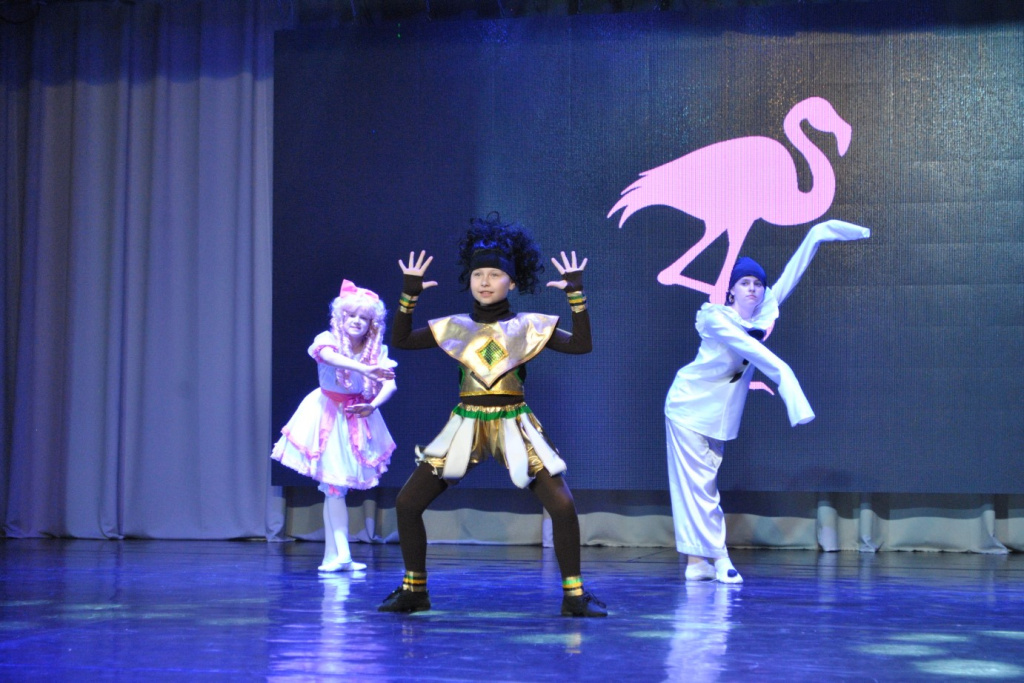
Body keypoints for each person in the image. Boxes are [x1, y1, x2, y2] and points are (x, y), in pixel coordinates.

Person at [378, 214, 606, 617]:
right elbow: (401, 340)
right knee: (408, 503)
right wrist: (408, 297)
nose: (485, 282)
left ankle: (574, 597)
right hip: (465, 424)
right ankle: (415, 591)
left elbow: (582, 345)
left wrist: (576, 297)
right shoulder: (454, 327)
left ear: (512, 283)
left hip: (514, 423)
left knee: (562, 506)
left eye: (495, 275)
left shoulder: (528, 327)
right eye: (478, 274)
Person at [665, 219, 870, 584]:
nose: (753, 289)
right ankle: (720, 558)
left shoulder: (762, 314)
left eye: (757, 284)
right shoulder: (715, 318)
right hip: (689, 407)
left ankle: (696, 561)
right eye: (744, 283)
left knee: (699, 485)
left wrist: (818, 234)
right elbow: (753, 351)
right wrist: (787, 380)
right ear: (730, 291)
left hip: (717, 415)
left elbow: (791, 274)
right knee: (701, 487)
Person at [272, 280, 398, 572]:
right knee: (334, 486)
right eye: (351, 315)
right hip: (326, 414)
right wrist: (364, 369)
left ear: (372, 323)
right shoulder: (327, 339)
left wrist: (373, 405)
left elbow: (390, 384)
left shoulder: (376, 350)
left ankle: (333, 557)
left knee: (335, 489)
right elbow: (328, 357)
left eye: (363, 318)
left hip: (357, 414)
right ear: (341, 317)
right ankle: (343, 555)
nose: (356, 321)